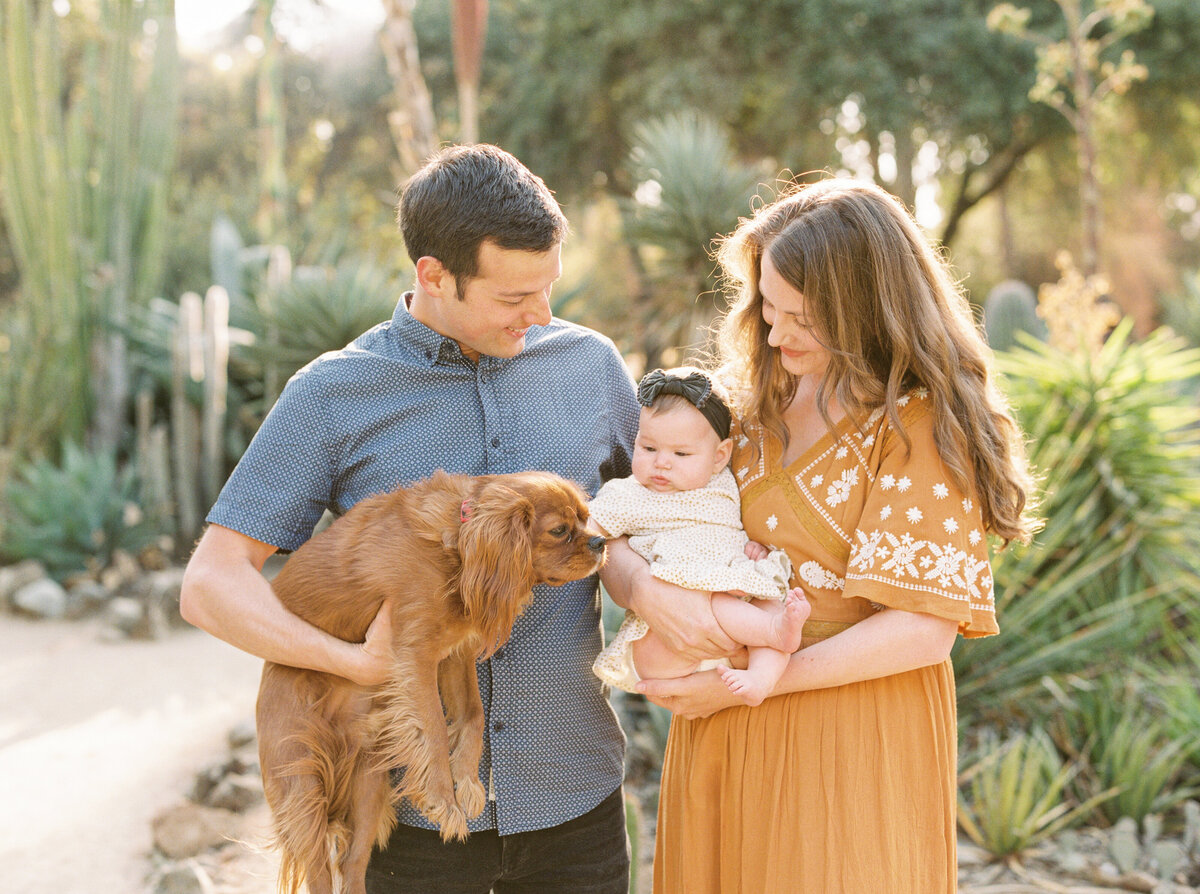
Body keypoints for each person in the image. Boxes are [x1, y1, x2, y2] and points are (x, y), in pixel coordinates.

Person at [179, 143, 640, 894]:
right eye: (513, 297)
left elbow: (649, 519)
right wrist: (353, 663)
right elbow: (210, 583)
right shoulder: (333, 395)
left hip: (575, 796)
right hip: (408, 833)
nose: (542, 314)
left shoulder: (590, 365)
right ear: (433, 276)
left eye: (547, 287)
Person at [602, 178, 1037, 893]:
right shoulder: (742, 403)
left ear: (865, 306)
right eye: (767, 307)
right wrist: (648, 592)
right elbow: (623, 521)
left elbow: (924, 630)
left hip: (851, 733)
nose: (774, 333)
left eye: (800, 317)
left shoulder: (918, 422)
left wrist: (751, 687)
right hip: (720, 726)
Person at [589, 366, 810, 706]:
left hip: (731, 599)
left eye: (680, 454)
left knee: (769, 594)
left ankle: (761, 678)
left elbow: (731, 530)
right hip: (672, 630)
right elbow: (592, 528)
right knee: (722, 604)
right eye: (648, 448)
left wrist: (748, 550)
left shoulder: (722, 479)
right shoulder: (628, 495)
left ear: (719, 456)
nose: (662, 463)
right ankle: (773, 631)